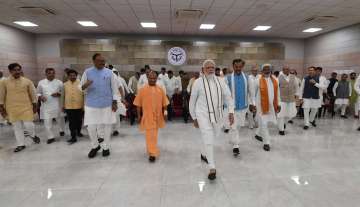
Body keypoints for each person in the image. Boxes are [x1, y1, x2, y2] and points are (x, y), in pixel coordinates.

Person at [189, 59, 234, 181]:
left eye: (212, 68)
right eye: (207, 67)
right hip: (202, 115)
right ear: (203, 70)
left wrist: (231, 111)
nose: (210, 69)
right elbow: (192, 101)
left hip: (218, 115)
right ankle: (212, 167)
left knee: (213, 137)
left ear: (215, 69)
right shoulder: (198, 82)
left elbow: (228, 96)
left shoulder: (221, 81)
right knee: (208, 138)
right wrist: (194, 117)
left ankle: (204, 154)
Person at [80, 53, 118, 158]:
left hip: (106, 104)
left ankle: (106, 147)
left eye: (103, 60)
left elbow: (114, 88)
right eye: (100, 61)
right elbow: (80, 88)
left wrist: (115, 102)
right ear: (94, 61)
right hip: (91, 104)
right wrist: (86, 85)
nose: (102, 62)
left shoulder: (110, 73)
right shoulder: (87, 72)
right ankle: (95, 146)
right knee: (91, 127)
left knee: (107, 126)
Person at [0, 63, 40, 152]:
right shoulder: (4, 82)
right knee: (17, 127)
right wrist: (2, 108)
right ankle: (21, 144)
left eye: (19, 69)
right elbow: (1, 95)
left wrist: (35, 105)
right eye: (15, 70)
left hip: (26, 107)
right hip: (12, 108)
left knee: (29, 124)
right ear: (10, 71)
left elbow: (33, 94)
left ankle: (33, 135)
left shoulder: (27, 81)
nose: (17, 71)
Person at [134, 71, 169, 162]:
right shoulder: (142, 89)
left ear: (157, 78)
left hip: (158, 116)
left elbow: (164, 103)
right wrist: (138, 115)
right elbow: (138, 104)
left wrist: (165, 113)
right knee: (150, 134)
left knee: (154, 134)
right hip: (147, 116)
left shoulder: (160, 89)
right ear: (147, 78)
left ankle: (151, 149)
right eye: (150, 78)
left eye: (154, 78)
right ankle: (152, 153)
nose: (152, 79)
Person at [250, 64, 281, 152]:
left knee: (265, 123)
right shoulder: (257, 80)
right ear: (262, 70)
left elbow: (278, 93)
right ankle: (266, 142)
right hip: (261, 106)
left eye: (268, 69)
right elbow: (253, 94)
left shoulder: (275, 79)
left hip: (271, 105)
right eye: (265, 69)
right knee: (263, 123)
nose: (267, 71)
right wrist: (253, 104)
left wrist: (278, 104)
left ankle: (257, 134)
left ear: (271, 70)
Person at [225, 59, 250, 156]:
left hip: (243, 106)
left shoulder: (247, 77)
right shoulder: (227, 78)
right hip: (232, 108)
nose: (238, 68)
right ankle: (236, 146)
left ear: (242, 66)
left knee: (238, 126)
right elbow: (225, 94)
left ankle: (232, 139)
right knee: (234, 126)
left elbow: (250, 91)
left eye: (240, 67)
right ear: (233, 66)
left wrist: (252, 103)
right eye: (236, 66)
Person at [37, 68, 65, 144]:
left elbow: (63, 93)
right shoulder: (41, 82)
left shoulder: (59, 82)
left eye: (53, 73)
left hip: (57, 105)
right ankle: (50, 137)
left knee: (60, 120)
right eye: (49, 73)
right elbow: (38, 93)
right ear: (46, 74)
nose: (51, 74)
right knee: (47, 122)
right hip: (46, 106)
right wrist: (40, 97)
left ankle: (61, 130)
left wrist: (58, 94)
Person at [63, 69, 84, 144]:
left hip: (79, 106)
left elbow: (84, 95)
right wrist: (63, 106)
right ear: (68, 76)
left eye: (74, 75)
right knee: (71, 122)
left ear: (76, 75)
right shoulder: (65, 84)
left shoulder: (81, 84)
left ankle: (78, 132)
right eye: (71, 75)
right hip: (69, 106)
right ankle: (73, 137)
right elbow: (63, 96)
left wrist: (84, 106)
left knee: (79, 121)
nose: (73, 77)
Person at [277, 66, 299, 135]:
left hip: (291, 99)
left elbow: (296, 86)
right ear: (282, 70)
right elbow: (276, 88)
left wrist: (297, 94)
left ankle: (283, 123)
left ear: (289, 70)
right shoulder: (278, 77)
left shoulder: (293, 77)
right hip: (281, 99)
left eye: (287, 69)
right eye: (284, 69)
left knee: (289, 114)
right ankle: (281, 129)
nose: (286, 70)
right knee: (280, 114)